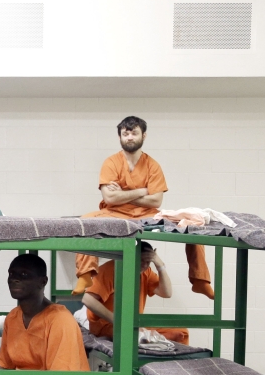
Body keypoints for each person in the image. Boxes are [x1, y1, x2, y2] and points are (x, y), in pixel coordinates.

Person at [72, 116, 212, 299]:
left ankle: (200, 281)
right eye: (125, 133)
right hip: (114, 213)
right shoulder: (111, 163)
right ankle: (85, 274)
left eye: (134, 133)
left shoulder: (152, 165)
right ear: (120, 137)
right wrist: (142, 190)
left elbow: (155, 201)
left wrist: (123, 194)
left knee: (192, 226)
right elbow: (109, 197)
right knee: (85, 221)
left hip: (148, 215)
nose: (129, 137)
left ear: (143, 136)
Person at [83, 242, 189, 344]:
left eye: (148, 262)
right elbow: (87, 299)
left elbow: (167, 293)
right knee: (132, 334)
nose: (144, 265)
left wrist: (160, 265)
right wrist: (117, 320)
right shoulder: (110, 269)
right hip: (107, 324)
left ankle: (158, 348)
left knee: (182, 332)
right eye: (141, 260)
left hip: (134, 324)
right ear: (130, 255)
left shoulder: (145, 272)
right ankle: (148, 340)